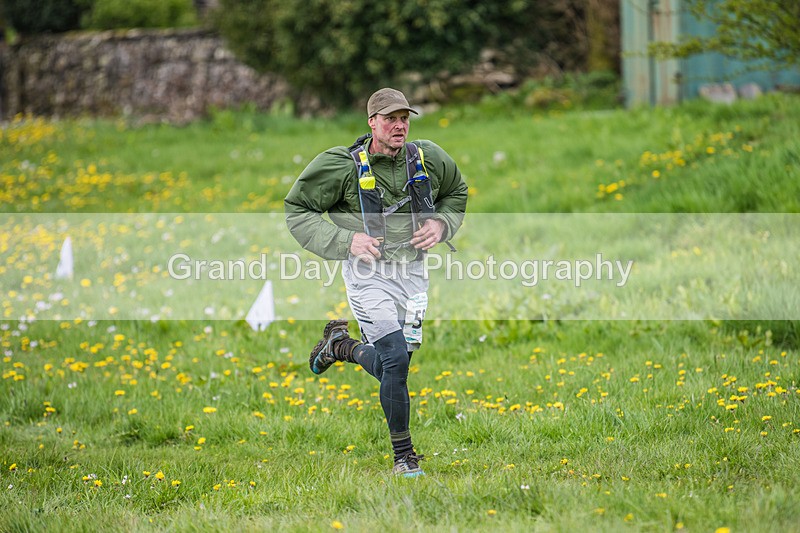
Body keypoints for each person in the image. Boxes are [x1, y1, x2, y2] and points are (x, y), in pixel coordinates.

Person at [284, 87, 468, 477]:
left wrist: (440, 223)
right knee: (396, 362)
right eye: (390, 118)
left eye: (404, 118)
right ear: (372, 123)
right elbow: (297, 209)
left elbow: (456, 192)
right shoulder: (341, 166)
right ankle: (405, 457)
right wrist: (345, 240)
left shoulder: (428, 157)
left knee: (394, 366)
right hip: (368, 276)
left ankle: (341, 346)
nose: (399, 125)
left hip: (414, 275)